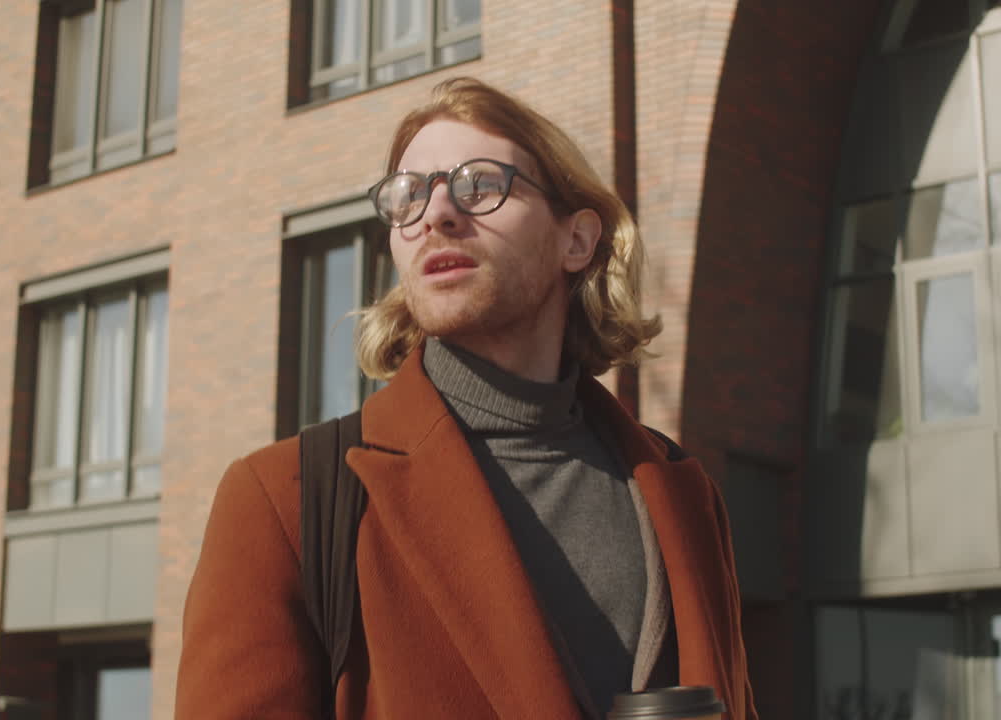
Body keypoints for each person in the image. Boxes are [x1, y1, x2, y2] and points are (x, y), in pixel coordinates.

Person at [175, 77, 757, 720]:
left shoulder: (682, 492)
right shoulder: (283, 498)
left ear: (578, 240)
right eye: (407, 196)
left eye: (481, 184)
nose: (437, 213)